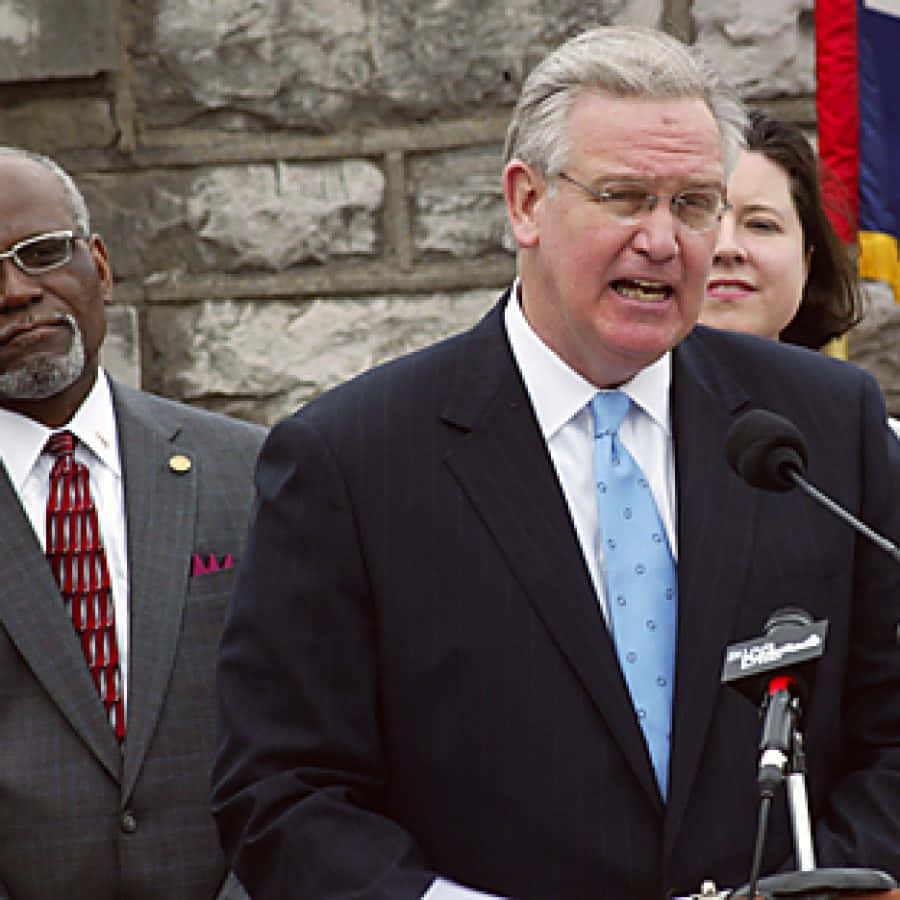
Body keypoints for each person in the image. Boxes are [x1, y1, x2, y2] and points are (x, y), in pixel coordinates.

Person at [212, 26, 900, 900]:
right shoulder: (350, 460)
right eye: (625, 197)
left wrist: (826, 884)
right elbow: (283, 793)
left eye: (694, 204)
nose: (664, 240)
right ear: (527, 203)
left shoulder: (820, 426)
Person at [0, 146, 265, 899]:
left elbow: (315, 732)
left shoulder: (251, 473)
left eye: (41, 252)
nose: (15, 291)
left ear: (101, 266)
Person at [701, 109, 900, 438]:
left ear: (807, 260)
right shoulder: (618, 437)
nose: (727, 247)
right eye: (703, 217)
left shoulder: (865, 445)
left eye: (761, 225)